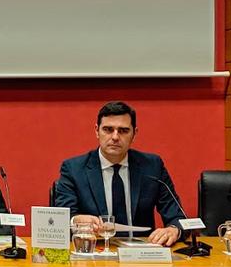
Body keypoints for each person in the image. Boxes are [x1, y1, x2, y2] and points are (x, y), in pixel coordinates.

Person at [54, 101, 185, 246]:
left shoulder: (152, 166)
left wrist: (174, 230)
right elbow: (60, 220)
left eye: (123, 131)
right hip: (94, 252)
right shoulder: (74, 169)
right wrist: (76, 221)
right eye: (108, 129)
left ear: (134, 134)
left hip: (142, 256)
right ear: (97, 131)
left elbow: (178, 217)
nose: (115, 137)